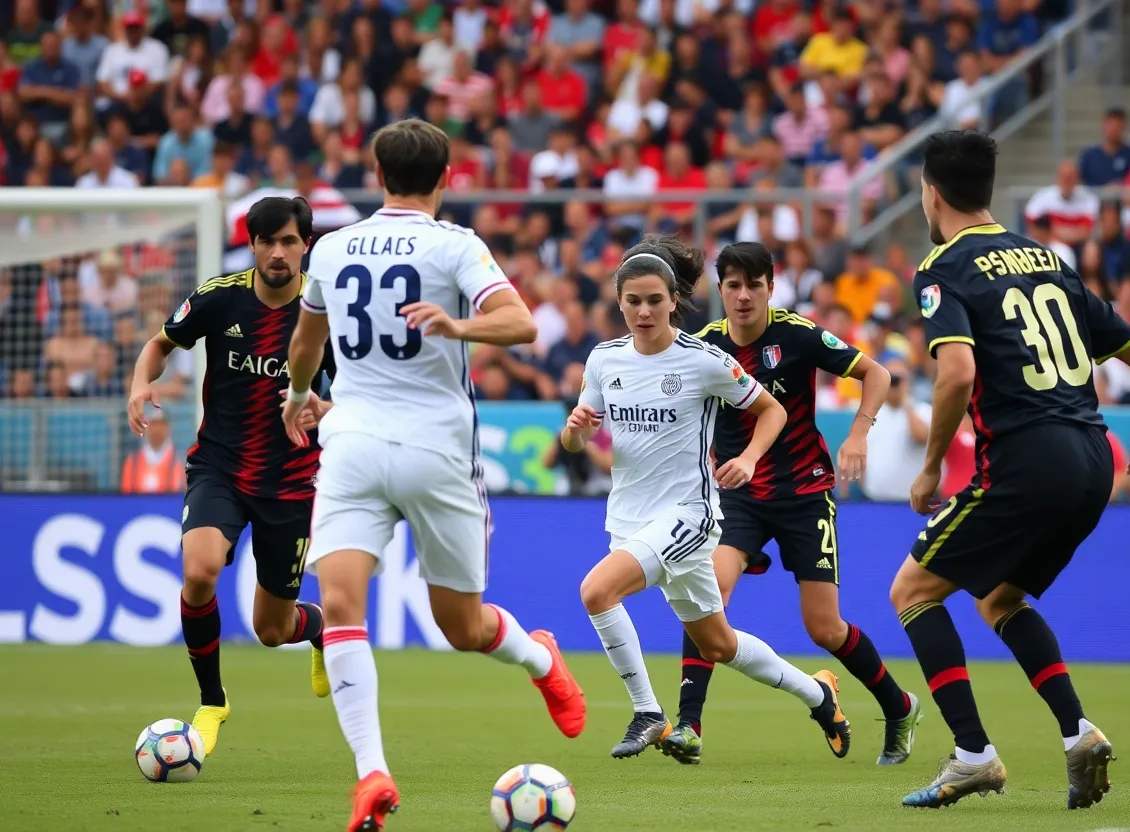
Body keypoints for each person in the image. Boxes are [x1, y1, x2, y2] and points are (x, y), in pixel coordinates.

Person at [281, 119, 585, 832]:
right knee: (344, 603)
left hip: (426, 450)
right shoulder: (457, 245)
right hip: (363, 441)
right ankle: (372, 775)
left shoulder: (329, 247)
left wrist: (297, 396)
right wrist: (462, 326)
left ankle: (541, 658)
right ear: (447, 178)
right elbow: (521, 323)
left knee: (461, 626)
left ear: (376, 172)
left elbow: (304, 343)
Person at [894, 130, 1130, 809]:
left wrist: (931, 467)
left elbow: (956, 372)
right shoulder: (1048, 257)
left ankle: (972, 756)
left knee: (913, 592)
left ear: (931, 193)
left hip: (1027, 458)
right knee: (1000, 599)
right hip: (1092, 460)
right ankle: (1078, 732)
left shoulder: (943, 266)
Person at [563, 236, 850, 762]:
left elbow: (774, 411)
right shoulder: (603, 359)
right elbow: (575, 439)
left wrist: (750, 458)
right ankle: (819, 694)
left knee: (597, 592)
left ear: (674, 300)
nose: (644, 311)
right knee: (719, 644)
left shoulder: (703, 360)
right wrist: (576, 431)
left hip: (688, 515)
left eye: (654, 300)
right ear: (620, 302)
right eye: (633, 301)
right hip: (628, 516)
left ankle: (648, 712)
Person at [665, 242, 922, 768]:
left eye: (752, 286)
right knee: (708, 594)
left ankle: (900, 707)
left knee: (823, 628)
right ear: (721, 291)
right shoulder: (703, 347)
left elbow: (877, 374)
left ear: (770, 289)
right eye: (732, 286)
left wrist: (858, 434)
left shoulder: (799, 335)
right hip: (738, 494)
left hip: (806, 494)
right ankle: (689, 724)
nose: (742, 297)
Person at [125, 196, 337, 758]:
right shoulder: (219, 299)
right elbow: (159, 345)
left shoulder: (328, 311)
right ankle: (213, 701)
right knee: (200, 571)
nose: (276, 251)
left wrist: (327, 409)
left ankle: (314, 626)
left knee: (271, 629)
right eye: (266, 241)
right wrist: (140, 384)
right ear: (252, 245)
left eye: (288, 240)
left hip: (292, 482)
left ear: (305, 245)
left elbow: (363, 401)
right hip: (220, 466)